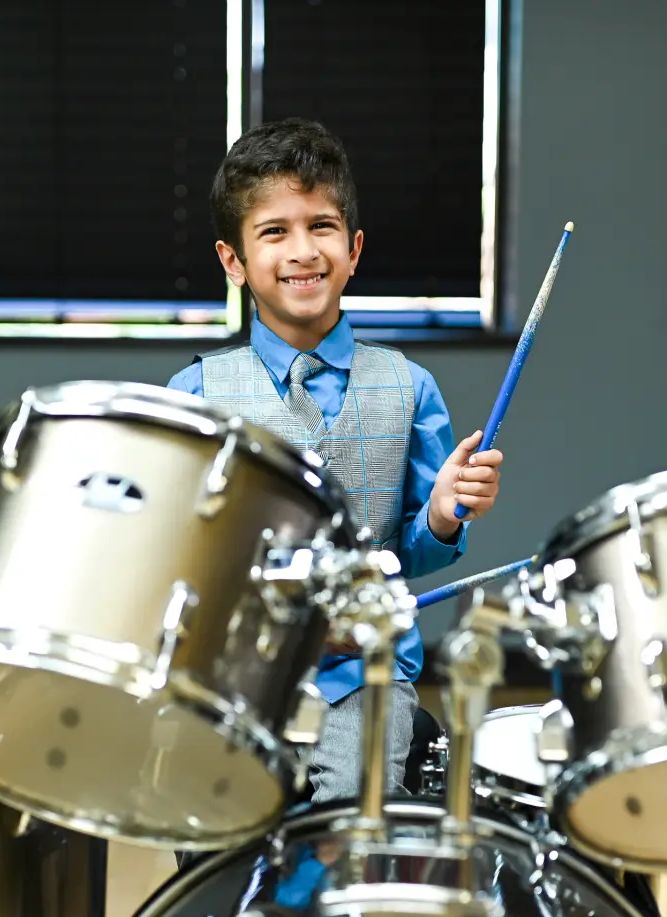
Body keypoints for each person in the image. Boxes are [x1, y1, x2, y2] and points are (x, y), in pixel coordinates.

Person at [166, 117, 504, 807]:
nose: (302, 251)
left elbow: (415, 553)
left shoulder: (410, 389)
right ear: (233, 261)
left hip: (366, 678)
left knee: (351, 808)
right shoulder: (194, 395)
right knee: (207, 812)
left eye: (321, 227)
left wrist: (440, 518)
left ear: (352, 249)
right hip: (234, 677)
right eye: (274, 232)